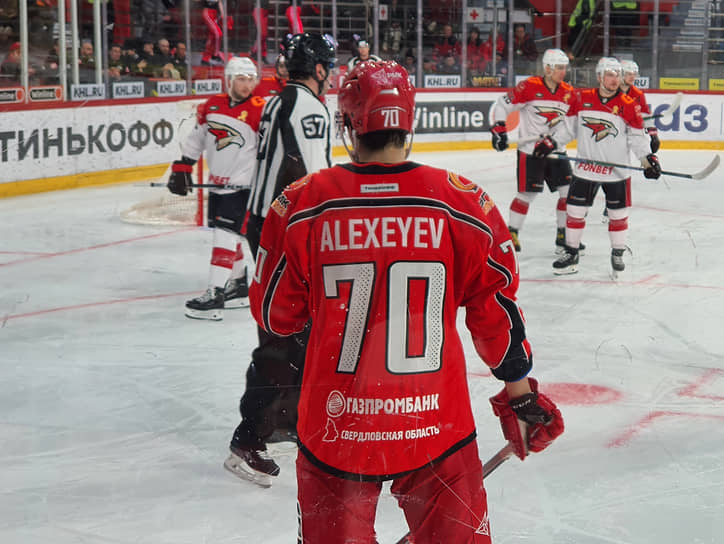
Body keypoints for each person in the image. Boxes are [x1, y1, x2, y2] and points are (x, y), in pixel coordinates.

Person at [250, 59, 564, 542]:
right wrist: (520, 398)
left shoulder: (301, 203)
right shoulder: (464, 202)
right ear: (408, 119)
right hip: (438, 425)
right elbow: (494, 313)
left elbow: (277, 315)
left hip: (337, 431)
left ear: (348, 121)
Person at [225, 32, 338, 487]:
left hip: (267, 223)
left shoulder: (278, 100)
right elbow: (319, 180)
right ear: (319, 68)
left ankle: (283, 421)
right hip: (290, 230)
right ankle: (248, 439)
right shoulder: (309, 106)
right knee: (286, 335)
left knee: (295, 330)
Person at [166, 56, 263, 320]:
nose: (247, 84)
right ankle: (239, 285)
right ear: (229, 80)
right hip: (218, 184)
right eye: (241, 79)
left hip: (242, 187)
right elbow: (198, 138)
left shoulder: (260, 109)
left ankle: (215, 292)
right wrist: (183, 166)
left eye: (251, 79)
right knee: (231, 236)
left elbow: (266, 150)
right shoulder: (213, 105)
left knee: (225, 236)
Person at [551, 57, 660, 277]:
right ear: (600, 76)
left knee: (618, 214)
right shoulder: (581, 98)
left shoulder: (629, 105)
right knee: (574, 211)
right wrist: (552, 143)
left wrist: (648, 160)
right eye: (610, 75)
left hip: (616, 172)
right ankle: (571, 253)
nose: (614, 79)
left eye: (617, 75)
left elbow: (636, 139)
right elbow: (568, 129)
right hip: (585, 169)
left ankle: (617, 253)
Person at [489, 48, 580, 255]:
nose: (562, 72)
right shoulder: (529, 87)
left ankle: (562, 234)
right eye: (558, 68)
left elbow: (572, 124)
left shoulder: (569, 92)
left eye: (564, 68)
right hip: (530, 152)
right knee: (526, 195)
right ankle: (512, 233)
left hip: (556, 151)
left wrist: (555, 141)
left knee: (568, 193)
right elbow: (503, 105)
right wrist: (500, 129)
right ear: (547, 69)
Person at [601, 58, 660, 222]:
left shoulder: (637, 94)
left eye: (634, 73)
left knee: (619, 172)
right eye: (628, 73)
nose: (632, 76)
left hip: (627, 137)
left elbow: (646, 117)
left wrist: (653, 134)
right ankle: (583, 204)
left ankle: (611, 206)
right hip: (607, 136)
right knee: (597, 170)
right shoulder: (609, 90)